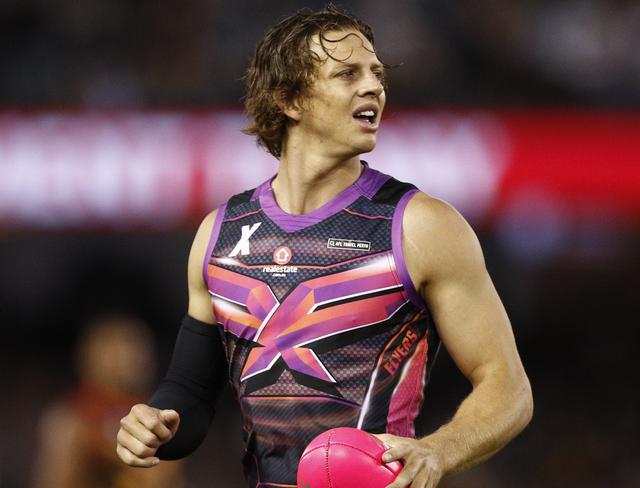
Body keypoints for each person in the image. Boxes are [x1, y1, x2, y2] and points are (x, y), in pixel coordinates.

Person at [116, 5, 533, 488]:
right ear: (289, 99)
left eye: (377, 73)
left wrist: (437, 452)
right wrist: (154, 427)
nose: (374, 86)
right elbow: (190, 392)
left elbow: (509, 389)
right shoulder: (219, 234)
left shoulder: (421, 226)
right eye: (347, 73)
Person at [32, 313, 186, 488]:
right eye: (125, 346)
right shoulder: (71, 419)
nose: (137, 356)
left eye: (141, 347)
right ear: (92, 355)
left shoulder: (160, 415)